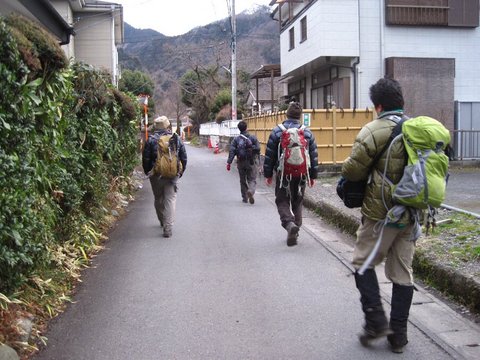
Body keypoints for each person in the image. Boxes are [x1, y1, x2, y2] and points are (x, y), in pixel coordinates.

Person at [341, 77, 416, 353]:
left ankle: (375, 321)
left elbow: (353, 171)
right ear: (401, 102)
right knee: (401, 273)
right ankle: (399, 336)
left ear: (378, 105)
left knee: (362, 263)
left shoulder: (372, 130)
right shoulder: (416, 129)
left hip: (379, 215)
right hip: (410, 214)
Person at [263, 102, 318, 246]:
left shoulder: (277, 131)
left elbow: (270, 155)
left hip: (283, 174)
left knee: (282, 200)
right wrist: (313, 176)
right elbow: (313, 156)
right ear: (300, 116)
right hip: (301, 174)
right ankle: (296, 227)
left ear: (286, 114)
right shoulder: (307, 132)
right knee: (298, 200)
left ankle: (289, 224)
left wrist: (268, 174)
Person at [142, 116, 187, 238]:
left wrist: (148, 172)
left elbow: (146, 158)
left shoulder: (151, 140)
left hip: (156, 174)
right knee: (170, 199)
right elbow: (183, 156)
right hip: (172, 175)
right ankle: (168, 227)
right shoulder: (175, 138)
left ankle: (162, 220)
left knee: (158, 198)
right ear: (168, 126)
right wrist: (180, 172)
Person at [226, 121, 260, 204]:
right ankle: (251, 191)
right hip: (251, 161)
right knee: (252, 179)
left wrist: (229, 162)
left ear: (239, 129)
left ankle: (245, 197)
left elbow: (232, 151)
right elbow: (258, 149)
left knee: (242, 180)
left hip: (240, 162)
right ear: (246, 128)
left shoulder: (236, 139)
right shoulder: (253, 138)